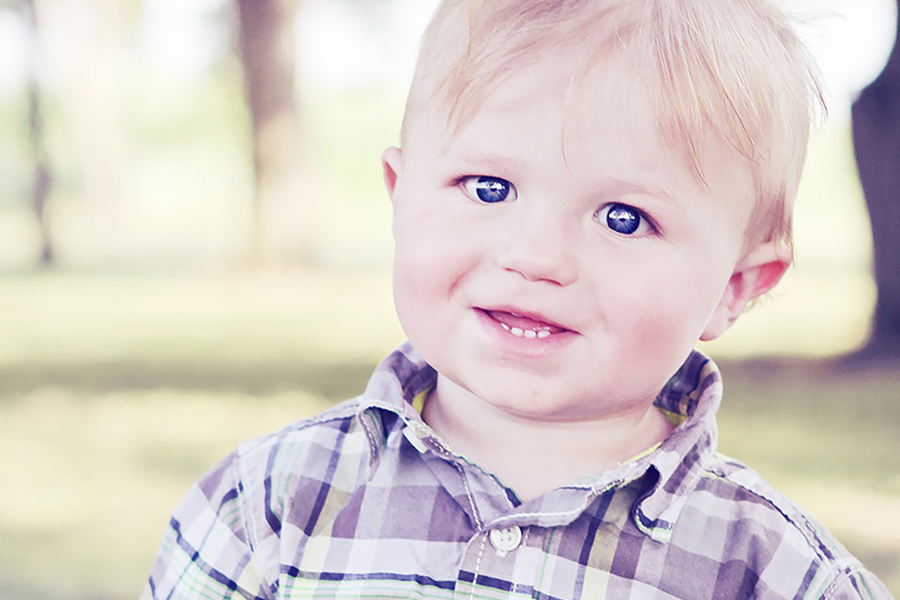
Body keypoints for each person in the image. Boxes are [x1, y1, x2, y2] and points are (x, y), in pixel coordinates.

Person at [143, 0, 893, 598]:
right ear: (400, 202)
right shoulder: (269, 505)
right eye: (489, 188)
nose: (535, 256)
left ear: (734, 288)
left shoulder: (771, 572)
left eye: (624, 219)